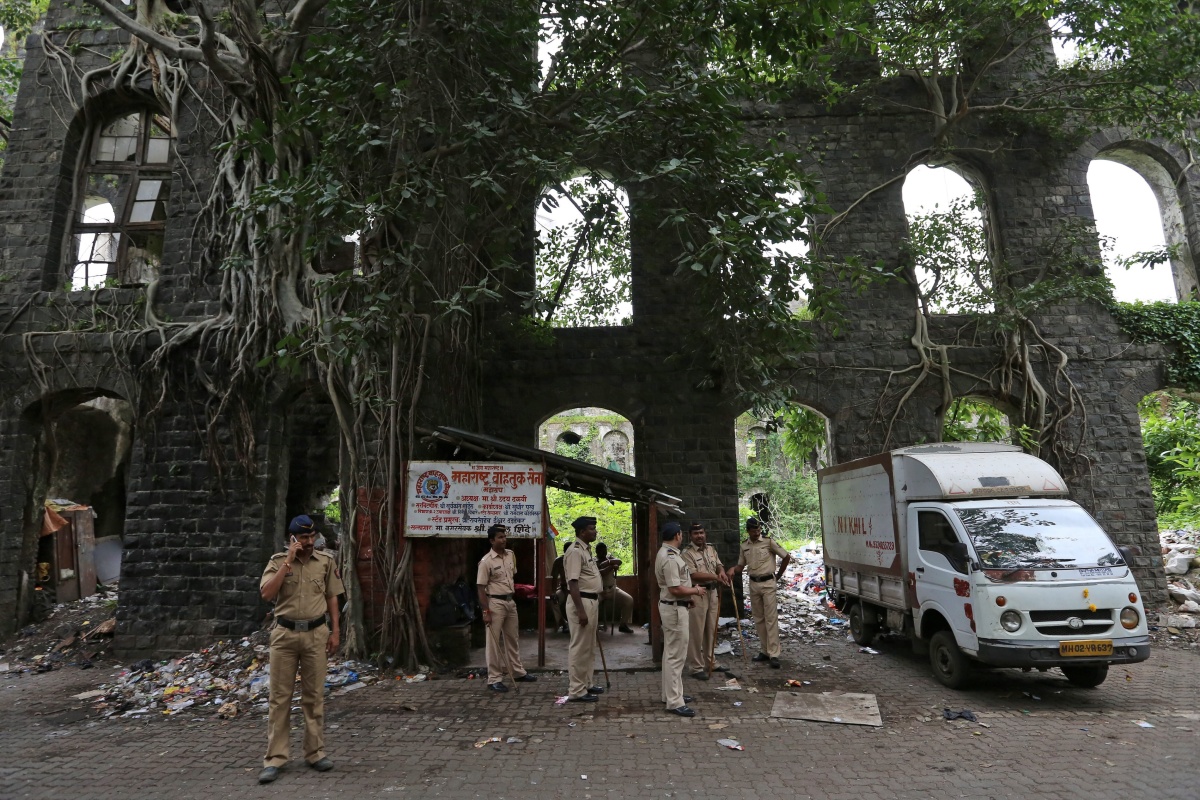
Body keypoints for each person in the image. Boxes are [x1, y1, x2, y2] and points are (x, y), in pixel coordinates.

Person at [258, 515, 345, 784]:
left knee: (314, 696)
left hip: (316, 634)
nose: (308, 542)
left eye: (311, 537)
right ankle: (275, 759)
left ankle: (315, 753)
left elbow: (332, 596)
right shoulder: (276, 562)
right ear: (292, 539)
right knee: (279, 699)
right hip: (284, 635)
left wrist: (335, 631)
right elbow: (266, 594)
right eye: (303, 538)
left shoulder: (325, 562)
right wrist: (288, 562)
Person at [477, 523, 537, 692]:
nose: (504, 540)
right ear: (491, 540)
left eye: (505, 537)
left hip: (510, 601)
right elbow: (481, 588)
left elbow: (512, 577)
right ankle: (494, 678)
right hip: (494, 602)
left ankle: (518, 671)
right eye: (500, 537)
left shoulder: (511, 555)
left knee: (513, 638)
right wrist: (485, 611)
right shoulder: (486, 562)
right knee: (494, 642)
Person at [726, 517, 791, 669]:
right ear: (748, 531)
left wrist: (778, 576)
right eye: (754, 530)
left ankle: (774, 654)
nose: (757, 533)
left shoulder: (768, 542)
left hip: (768, 583)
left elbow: (786, 557)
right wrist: (731, 570)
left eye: (758, 530)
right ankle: (765, 651)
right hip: (753, 584)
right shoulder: (744, 546)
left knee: (771, 618)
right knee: (759, 619)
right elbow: (741, 566)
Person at [655, 521, 705, 717]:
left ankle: (671, 694)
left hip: (675, 606)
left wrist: (687, 598)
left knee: (670, 653)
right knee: (676, 657)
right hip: (674, 610)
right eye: (682, 534)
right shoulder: (670, 558)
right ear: (677, 536)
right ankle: (675, 701)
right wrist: (695, 590)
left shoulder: (666, 554)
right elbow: (675, 589)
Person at [563, 515, 605, 702]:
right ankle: (577, 690)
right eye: (591, 528)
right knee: (579, 647)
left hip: (591, 601)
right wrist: (580, 611)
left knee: (589, 646)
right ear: (582, 532)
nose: (595, 531)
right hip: (582, 602)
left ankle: (586, 683)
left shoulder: (586, 550)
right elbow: (572, 583)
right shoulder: (575, 551)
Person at [682, 522, 730, 679]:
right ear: (690, 535)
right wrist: (716, 576)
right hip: (697, 593)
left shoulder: (711, 549)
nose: (699, 536)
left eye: (701, 533)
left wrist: (721, 572)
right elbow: (693, 575)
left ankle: (711, 662)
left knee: (711, 629)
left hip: (713, 592)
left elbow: (719, 565)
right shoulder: (687, 553)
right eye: (696, 533)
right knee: (696, 631)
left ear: (705, 534)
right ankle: (695, 667)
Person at [594, 542, 634, 634]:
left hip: (612, 589)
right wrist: (612, 566)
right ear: (596, 552)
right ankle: (593, 627)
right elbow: (601, 572)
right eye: (600, 551)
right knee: (592, 604)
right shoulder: (593, 561)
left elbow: (619, 561)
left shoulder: (610, 559)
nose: (603, 553)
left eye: (604, 551)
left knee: (629, 600)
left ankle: (623, 624)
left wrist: (609, 562)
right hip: (599, 591)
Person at [549, 552, 569, 632]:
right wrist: (553, 592)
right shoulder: (559, 561)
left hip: (577, 590)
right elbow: (554, 577)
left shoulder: (578, 559)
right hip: (563, 589)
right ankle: (563, 622)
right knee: (554, 600)